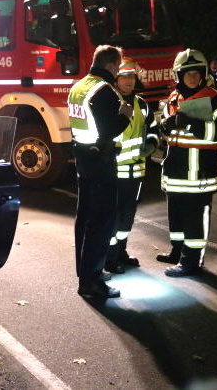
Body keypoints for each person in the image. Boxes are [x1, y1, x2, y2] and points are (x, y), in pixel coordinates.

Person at [156, 49, 217, 276]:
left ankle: (192, 262)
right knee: (176, 216)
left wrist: (190, 123)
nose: (192, 78)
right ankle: (177, 251)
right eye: (187, 74)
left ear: (203, 73)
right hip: (176, 172)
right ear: (179, 75)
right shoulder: (174, 97)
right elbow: (166, 132)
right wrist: (164, 126)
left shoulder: (214, 98)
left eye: (196, 73)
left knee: (195, 220)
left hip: (199, 175)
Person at [68, 45, 132, 298]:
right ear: (111, 66)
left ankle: (83, 271)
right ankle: (91, 281)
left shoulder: (79, 86)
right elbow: (109, 129)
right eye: (117, 67)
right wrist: (125, 115)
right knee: (101, 221)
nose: (118, 72)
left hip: (83, 157)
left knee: (84, 217)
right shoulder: (104, 90)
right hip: (100, 160)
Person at [105, 57, 159, 273]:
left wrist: (152, 143)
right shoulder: (109, 102)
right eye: (124, 76)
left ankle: (121, 251)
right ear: (116, 78)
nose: (129, 80)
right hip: (114, 171)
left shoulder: (142, 104)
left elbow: (152, 127)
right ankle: (109, 257)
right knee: (113, 216)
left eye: (132, 76)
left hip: (136, 170)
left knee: (127, 215)